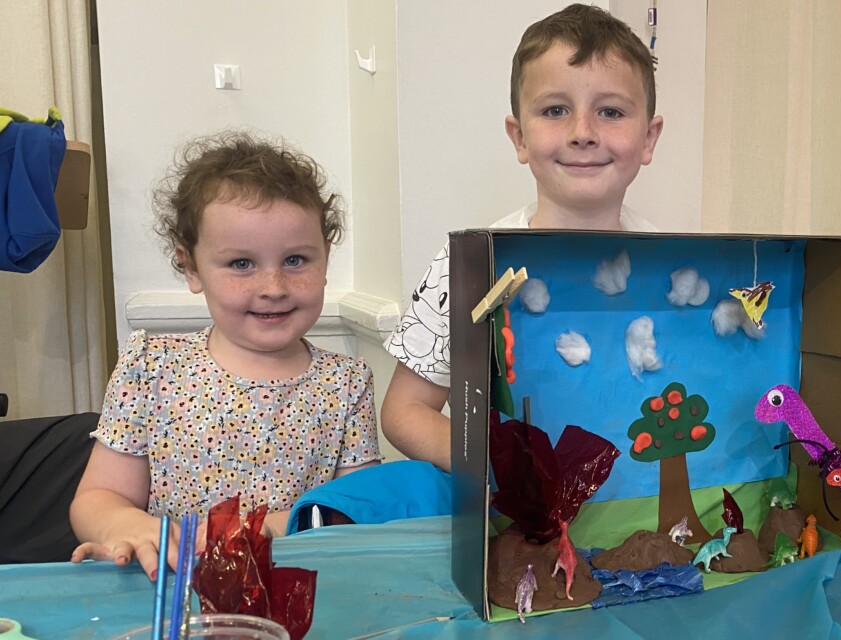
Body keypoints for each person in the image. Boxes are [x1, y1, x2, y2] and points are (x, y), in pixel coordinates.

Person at [70, 132, 381, 579]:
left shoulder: (347, 381)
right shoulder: (150, 365)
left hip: (299, 596)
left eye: (296, 260)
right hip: (173, 589)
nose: (273, 286)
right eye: (241, 264)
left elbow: (355, 512)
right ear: (191, 266)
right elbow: (97, 496)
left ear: (326, 259)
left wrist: (264, 530)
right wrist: (128, 525)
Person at [382, 4, 663, 469]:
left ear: (649, 138)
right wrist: (497, 468)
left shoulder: (677, 261)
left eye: (610, 111)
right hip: (512, 528)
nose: (583, 133)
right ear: (519, 137)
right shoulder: (467, 266)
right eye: (555, 110)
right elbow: (404, 410)